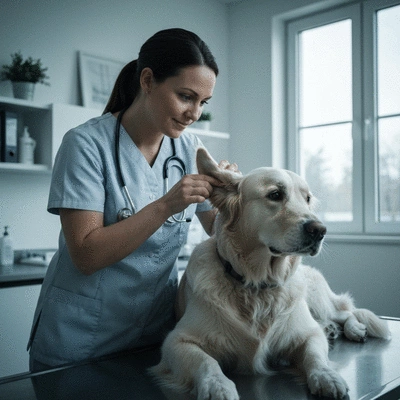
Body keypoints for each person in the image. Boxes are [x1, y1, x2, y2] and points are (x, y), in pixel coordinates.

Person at [28, 28, 236, 371]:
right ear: (148, 80)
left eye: (203, 102)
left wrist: (228, 199)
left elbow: (218, 231)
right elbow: (86, 254)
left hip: (154, 333)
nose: (194, 113)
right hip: (82, 337)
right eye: (185, 96)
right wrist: (166, 206)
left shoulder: (188, 148)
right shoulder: (85, 145)